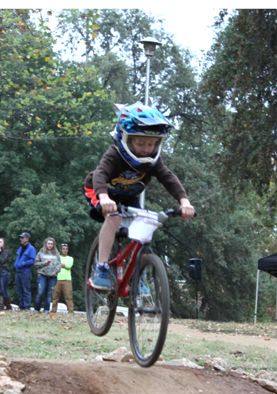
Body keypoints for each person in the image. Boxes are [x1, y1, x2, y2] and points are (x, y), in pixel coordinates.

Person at [84, 103, 195, 291]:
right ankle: (101, 268)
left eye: (151, 144)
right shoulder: (115, 154)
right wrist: (104, 198)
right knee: (113, 217)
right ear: (126, 139)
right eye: (140, 143)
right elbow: (100, 174)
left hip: (129, 194)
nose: (146, 149)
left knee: (144, 227)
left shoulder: (152, 161)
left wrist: (184, 201)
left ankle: (138, 274)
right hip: (101, 191)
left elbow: (168, 178)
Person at [34, 237, 61, 313]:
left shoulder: (56, 253)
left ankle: (46, 309)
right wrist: (44, 263)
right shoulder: (41, 252)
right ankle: (37, 309)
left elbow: (59, 265)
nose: (50, 245)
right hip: (42, 274)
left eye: (51, 244)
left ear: (54, 245)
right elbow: (35, 263)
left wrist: (56, 271)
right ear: (45, 244)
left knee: (49, 294)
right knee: (40, 292)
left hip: (52, 276)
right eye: (48, 243)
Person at [50, 242, 75, 315]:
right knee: (55, 297)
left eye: (66, 249)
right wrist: (62, 265)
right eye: (63, 249)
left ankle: (71, 311)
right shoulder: (57, 257)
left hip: (67, 280)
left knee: (68, 297)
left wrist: (61, 265)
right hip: (57, 279)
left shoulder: (70, 258)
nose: (65, 250)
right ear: (61, 250)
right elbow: (54, 265)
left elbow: (69, 266)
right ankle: (53, 311)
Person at [13, 232, 36, 310]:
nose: (21, 239)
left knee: (26, 289)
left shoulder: (31, 248)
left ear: (27, 239)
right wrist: (15, 264)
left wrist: (23, 263)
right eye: (20, 238)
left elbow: (32, 260)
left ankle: (27, 306)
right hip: (18, 271)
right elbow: (18, 257)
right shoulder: (20, 248)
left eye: (22, 238)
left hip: (25, 271)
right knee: (19, 289)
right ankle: (21, 306)